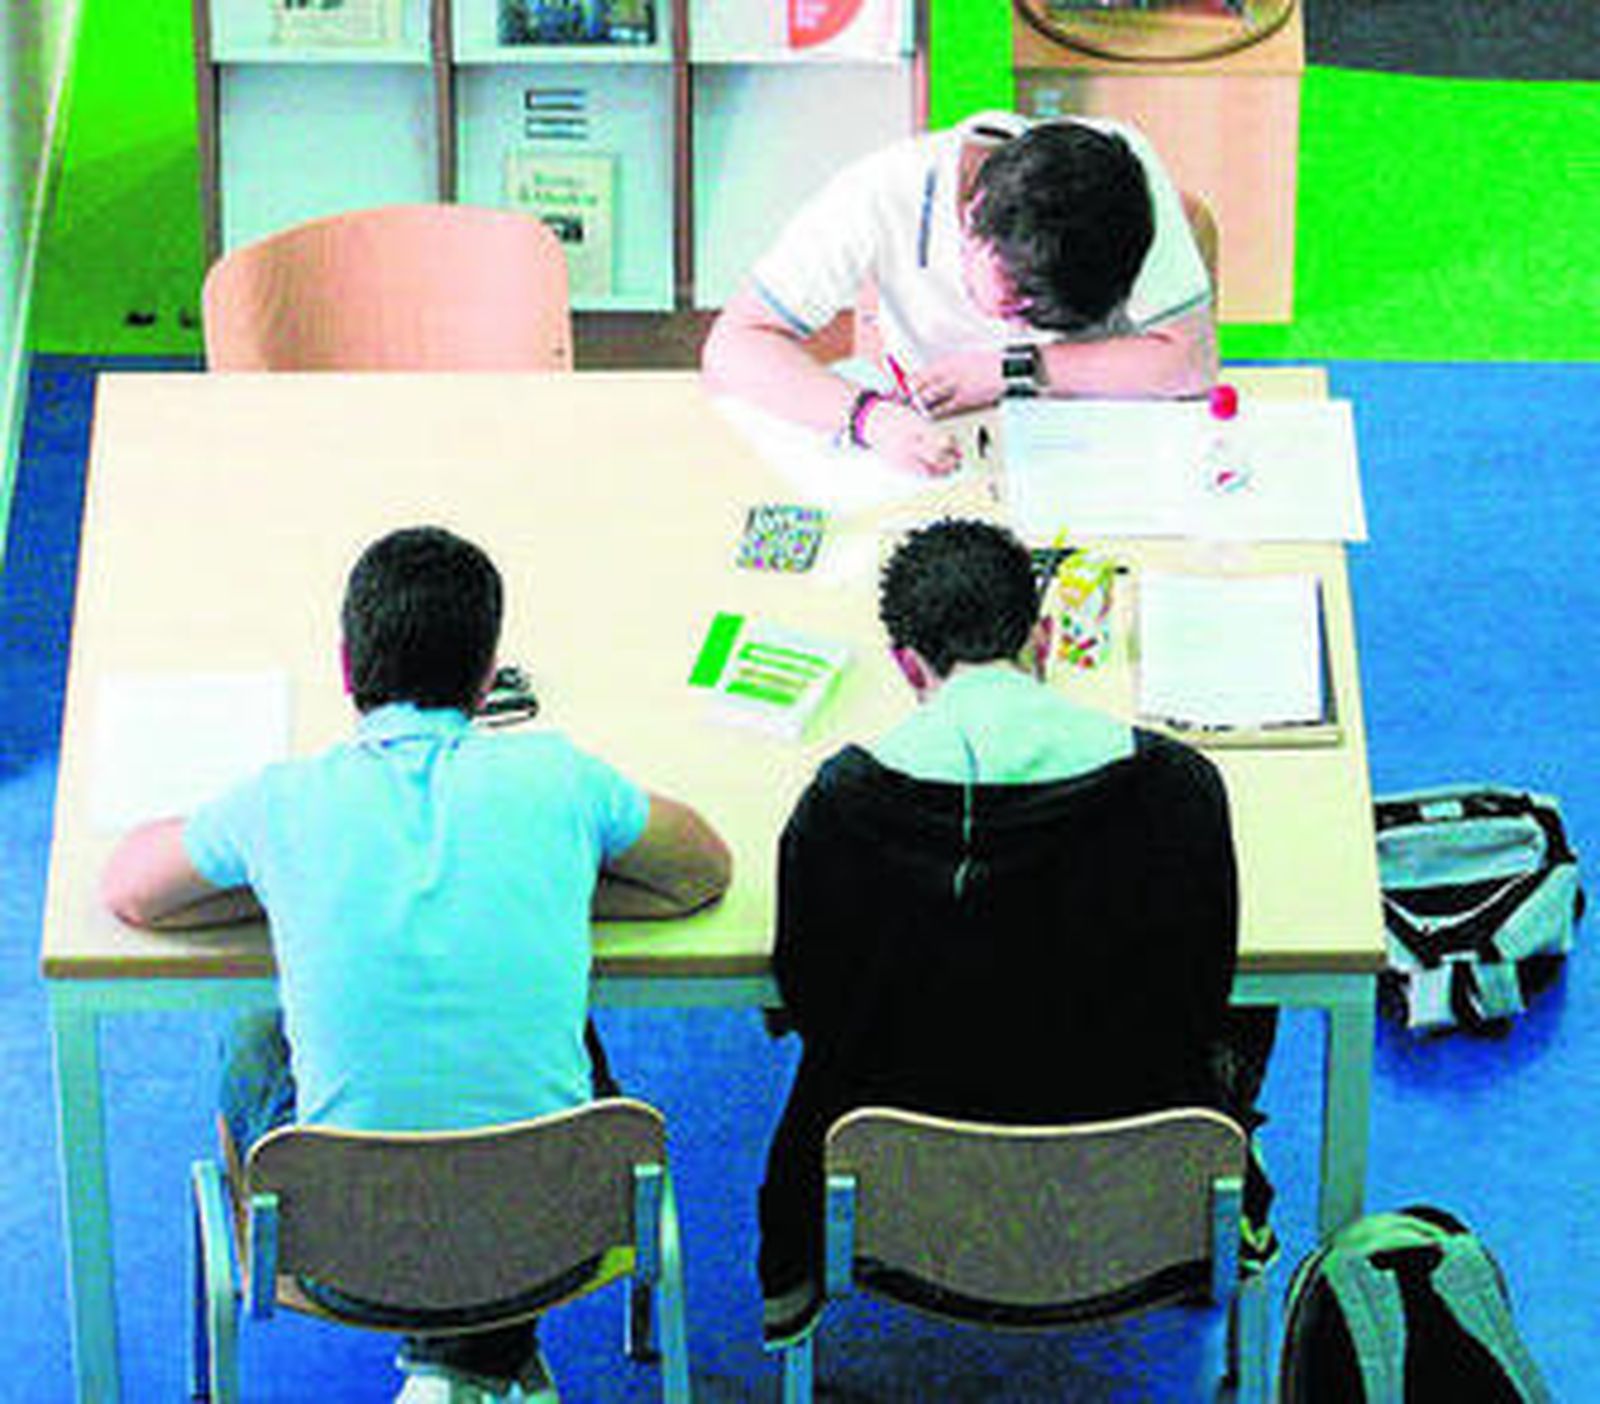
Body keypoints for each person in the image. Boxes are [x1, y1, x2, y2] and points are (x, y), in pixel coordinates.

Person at [100, 525, 732, 1404]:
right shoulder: (561, 780)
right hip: (554, 1238)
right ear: (488, 680)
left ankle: (458, 1365)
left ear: (346, 668)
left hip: (340, 1258)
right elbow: (700, 870)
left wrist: (284, 890)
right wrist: (556, 882)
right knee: (551, 1033)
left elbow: (131, 890)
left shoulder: (282, 803)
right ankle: (479, 1360)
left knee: (252, 1036)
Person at [756, 518, 1272, 1339]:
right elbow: (1210, 989)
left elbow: (806, 999)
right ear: (1045, 638)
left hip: (900, 1204)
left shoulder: (839, 807)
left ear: (906, 665)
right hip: (1131, 1193)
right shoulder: (1181, 790)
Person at [702, 109, 1218, 478]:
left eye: (1053, 320)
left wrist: (1009, 368)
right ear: (973, 218)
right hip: (936, 435)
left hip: (1095, 439)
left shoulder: (1122, 183)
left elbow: (1190, 363)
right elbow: (732, 347)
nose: (1022, 326)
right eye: (1016, 304)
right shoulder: (880, 193)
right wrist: (870, 418)